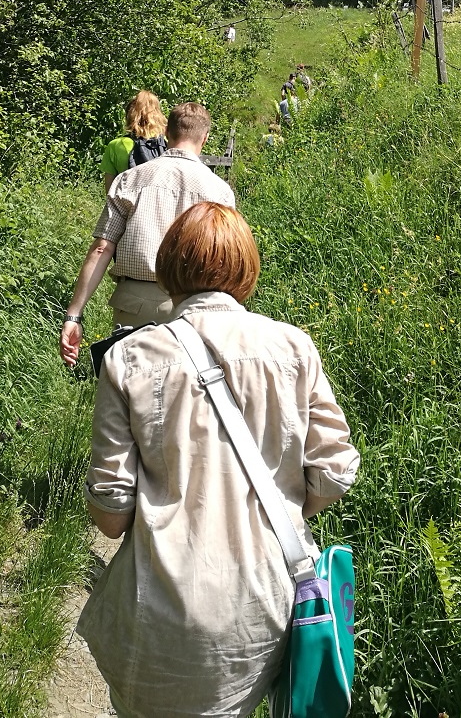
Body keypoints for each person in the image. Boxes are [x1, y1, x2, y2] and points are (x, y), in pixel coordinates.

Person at [78, 202, 360, 718]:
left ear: (169, 269)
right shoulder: (294, 347)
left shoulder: (130, 357)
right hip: (269, 605)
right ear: (246, 270)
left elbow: (112, 514)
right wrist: (282, 510)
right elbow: (335, 468)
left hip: (162, 610)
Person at [61, 103, 234, 365]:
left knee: (132, 395)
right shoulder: (219, 192)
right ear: (205, 137)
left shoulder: (129, 180)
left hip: (134, 305)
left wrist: (74, 315)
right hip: (194, 307)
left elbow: (102, 248)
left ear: (166, 133)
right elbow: (225, 260)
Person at [100, 90, 168, 196]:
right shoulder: (166, 144)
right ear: (158, 115)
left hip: (128, 209)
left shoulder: (116, 145)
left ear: (129, 115)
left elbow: (110, 193)